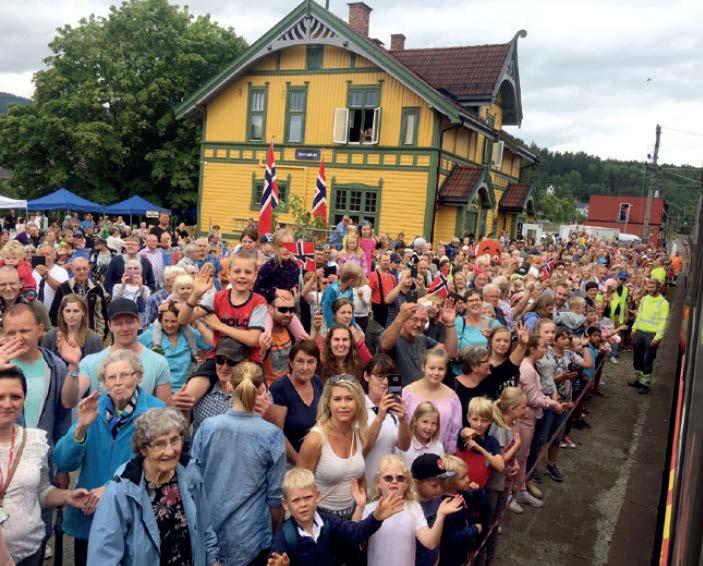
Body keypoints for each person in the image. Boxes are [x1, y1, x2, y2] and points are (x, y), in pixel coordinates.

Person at [53, 349, 165, 565]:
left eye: (125, 375)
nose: (118, 382)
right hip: (90, 516)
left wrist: (114, 486)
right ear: (103, 382)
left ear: (138, 376)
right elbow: (63, 461)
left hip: (134, 517)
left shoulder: (155, 411)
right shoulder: (91, 409)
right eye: (111, 377)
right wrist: (81, 428)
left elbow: (159, 466)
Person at [87, 408, 220, 566]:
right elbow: (103, 557)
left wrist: (213, 561)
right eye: (160, 444)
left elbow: (205, 529)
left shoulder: (190, 473)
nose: (170, 451)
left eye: (175, 440)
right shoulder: (122, 490)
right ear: (143, 448)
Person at [191, 362, 286, 566]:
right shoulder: (271, 435)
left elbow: (193, 483)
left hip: (209, 534)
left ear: (230, 387)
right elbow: (275, 498)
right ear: (261, 388)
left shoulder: (207, 428)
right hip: (251, 538)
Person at [0, 366, 90, 566]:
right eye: (0, 396)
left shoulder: (34, 441)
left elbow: (41, 492)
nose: (7, 404)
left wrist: (68, 497)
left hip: (30, 552)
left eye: (15, 396)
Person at [269, 467, 404, 566]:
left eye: (308, 497)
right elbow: (276, 558)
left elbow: (356, 532)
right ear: (285, 504)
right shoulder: (284, 535)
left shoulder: (329, 521)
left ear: (317, 496)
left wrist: (376, 517)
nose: (303, 504)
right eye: (296, 500)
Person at [362, 454, 464, 566]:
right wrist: (359, 507)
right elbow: (355, 539)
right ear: (378, 483)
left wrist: (441, 514)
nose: (394, 481)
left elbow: (430, 543)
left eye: (400, 478)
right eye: (388, 478)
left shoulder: (414, 508)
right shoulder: (369, 509)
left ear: (406, 484)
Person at [3, 303, 79, 448]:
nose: (18, 338)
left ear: (40, 330)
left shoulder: (55, 366)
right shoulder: (2, 366)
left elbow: (67, 407)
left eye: (24, 331)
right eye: (11, 333)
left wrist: (74, 366)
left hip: (44, 456)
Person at [298, 375, 367, 519]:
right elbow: (300, 489)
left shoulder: (358, 434)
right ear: (328, 403)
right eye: (337, 399)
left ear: (358, 402)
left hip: (352, 517)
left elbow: (361, 480)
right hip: (321, 517)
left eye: (349, 398)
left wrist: (360, 514)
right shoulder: (315, 439)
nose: (343, 405)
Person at [78, 298, 171, 402]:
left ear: (138, 322)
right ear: (110, 326)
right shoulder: (89, 362)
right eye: (118, 323)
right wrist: (73, 367)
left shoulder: (159, 362)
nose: (125, 328)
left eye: (130, 322)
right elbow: (70, 401)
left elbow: (164, 410)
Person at [515, 336, 566, 509]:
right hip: (524, 418)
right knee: (520, 456)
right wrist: (552, 403)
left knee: (524, 455)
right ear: (532, 349)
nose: (546, 350)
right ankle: (512, 493)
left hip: (528, 417)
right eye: (543, 347)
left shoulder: (529, 366)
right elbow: (532, 399)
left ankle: (520, 489)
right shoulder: (527, 369)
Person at [483, 387, 525, 554]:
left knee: (497, 517)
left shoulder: (511, 423)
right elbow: (500, 459)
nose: (525, 410)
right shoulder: (499, 429)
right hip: (494, 481)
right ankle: (486, 554)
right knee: (490, 520)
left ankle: (491, 551)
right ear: (512, 409)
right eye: (523, 407)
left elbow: (509, 459)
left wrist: (515, 465)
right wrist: (516, 445)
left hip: (504, 478)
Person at [138, 302, 214, 393]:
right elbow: (131, 348)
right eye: (166, 321)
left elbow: (211, 344)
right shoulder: (151, 334)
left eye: (174, 321)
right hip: (157, 392)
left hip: (185, 390)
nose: (169, 325)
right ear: (160, 321)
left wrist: (195, 322)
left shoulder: (188, 334)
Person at [269, 341, 324, 465]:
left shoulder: (317, 381)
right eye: (300, 361)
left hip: (316, 459)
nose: (305, 367)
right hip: (289, 464)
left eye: (310, 362)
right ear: (291, 362)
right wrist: (300, 463)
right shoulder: (279, 388)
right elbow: (278, 433)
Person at [378, 302, 458, 386]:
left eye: (423, 320)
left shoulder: (421, 337)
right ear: (404, 319)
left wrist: (450, 323)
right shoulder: (392, 336)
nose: (419, 324)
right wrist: (400, 317)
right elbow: (385, 345)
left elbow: (450, 353)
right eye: (414, 319)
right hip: (398, 394)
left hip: (421, 394)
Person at [362, 354, 411, 486]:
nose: (385, 382)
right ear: (366, 376)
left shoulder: (394, 408)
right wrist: (380, 417)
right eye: (379, 376)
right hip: (365, 483)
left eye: (389, 377)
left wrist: (403, 421)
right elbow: (362, 449)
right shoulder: (358, 407)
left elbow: (404, 446)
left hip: (389, 485)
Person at [402, 348, 462, 454]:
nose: (436, 372)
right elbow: (399, 423)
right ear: (423, 367)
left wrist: (449, 455)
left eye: (441, 369)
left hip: (439, 455)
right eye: (432, 368)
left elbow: (455, 430)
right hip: (408, 452)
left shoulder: (452, 397)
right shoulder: (407, 392)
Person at [49, 256, 109, 338]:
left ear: (89, 269)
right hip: (69, 335)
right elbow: (54, 313)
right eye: (78, 269)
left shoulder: (96, 288)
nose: (82, 271)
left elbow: (102, 314)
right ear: (72, 270)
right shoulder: (63, 287)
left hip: (91, 334)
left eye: (84, 269)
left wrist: (100, 336)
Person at [629, 278, 669, 393]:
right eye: (648, 287)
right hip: (640, 332)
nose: (650, 289)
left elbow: (663, 322)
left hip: (652, 335)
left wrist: (657, 338)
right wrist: (634, 327)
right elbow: (640, 314)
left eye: (652, 287)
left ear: (658, 287)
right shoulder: (645, 299)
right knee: (637, 358)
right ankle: (638, 380)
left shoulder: (664, 303)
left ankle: (644, 385)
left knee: (648, 359)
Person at [41, 294, 104, 360]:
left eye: (76, 311)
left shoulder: (93, 339)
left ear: (83, 312)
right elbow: (42, 361)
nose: (71, 315)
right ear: (62, 312)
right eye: (68, 311)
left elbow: (99, 366)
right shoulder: (51, 335)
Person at [0, 266, 51, 332]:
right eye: (3, 285)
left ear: (21, 284)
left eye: (12, 284)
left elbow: (50, 337)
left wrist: (30, 332)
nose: (8, 288)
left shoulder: (35, 306)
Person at [399, 401, 444, 469]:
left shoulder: (438, 446)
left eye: (434, 423)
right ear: (415, 421)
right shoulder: (405, 443)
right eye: (425, 422)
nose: (429, 427)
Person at [320, 263, 363, 329]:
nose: (359, 282)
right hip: (326, 319)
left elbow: (350, 308)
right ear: (351, 281)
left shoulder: (350, 290)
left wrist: (353, 324)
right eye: (358, 280)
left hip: (340, 317)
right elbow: (327, 309)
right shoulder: (333, 290)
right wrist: (333, 327)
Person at [111, 259, 151, 328]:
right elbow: (114, 304)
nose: (132, 271)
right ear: (125, 271)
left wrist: (140, 286)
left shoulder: (145, 288)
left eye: (135, 268)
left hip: (139, 324)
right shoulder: (118, 287)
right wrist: (123, 286)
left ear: (140, 271)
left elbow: (147, 307)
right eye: (129, 268)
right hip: (122, 322)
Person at [31, 244, 69, 312]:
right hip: (35, 313)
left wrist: (46, 276)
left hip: (54, 313)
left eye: (47, 254)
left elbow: (63, 289)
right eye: (41, 254)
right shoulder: (33, 272)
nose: (44, 256)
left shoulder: (61, 271)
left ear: (54, 256)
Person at [369, 251, 396, 327]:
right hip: (377, 308)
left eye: (388, 261)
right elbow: (369, 293)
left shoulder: (392, 277)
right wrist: (370, 310)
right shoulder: (373, 275)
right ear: (379, 261)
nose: (386, 262)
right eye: (384, 260)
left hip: (390, 308)